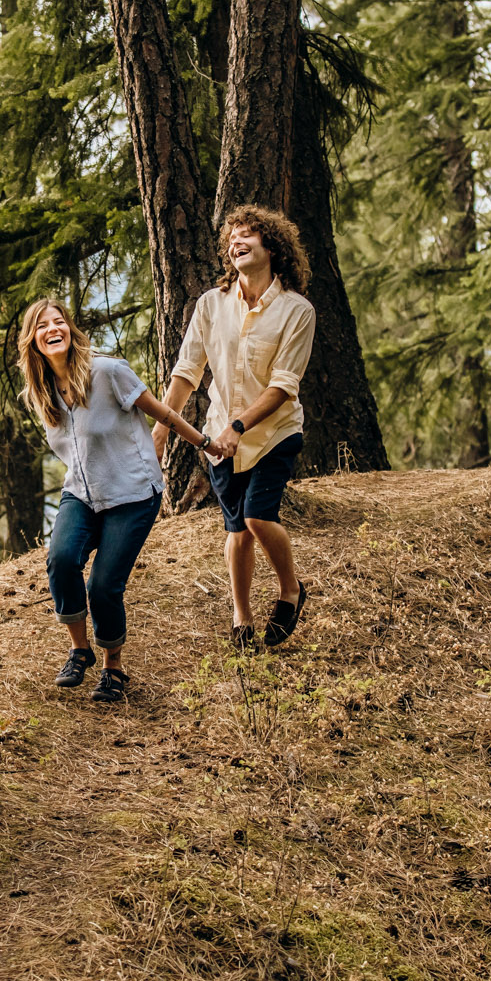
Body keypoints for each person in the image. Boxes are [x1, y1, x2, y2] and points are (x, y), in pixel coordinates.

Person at [19, 298, 219, 701]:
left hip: (132, 493)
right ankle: (79, 650)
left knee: (104, 585)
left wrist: (204, 443)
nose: (51, 329)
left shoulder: (108, 372)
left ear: (70, 332)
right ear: (33, 341)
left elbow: (162, 413)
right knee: (60, 559)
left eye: (58, 322)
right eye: (42, 326)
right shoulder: (41, 396)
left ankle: (114, 670)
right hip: (82, 493)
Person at [154, 205, 317, 650]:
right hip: (218, 441)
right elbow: (187, 371)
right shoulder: (211, 304)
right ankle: (241, 615)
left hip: (274, 434)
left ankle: (290, 589)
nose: (236, 242)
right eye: (231, 238)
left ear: (273, 246)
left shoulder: (296, 311)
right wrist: (163, 428)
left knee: (257, 515)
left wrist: (239, 426)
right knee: (236, 530)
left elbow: (285, 385)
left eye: (247, 235)